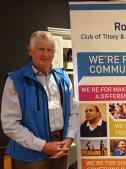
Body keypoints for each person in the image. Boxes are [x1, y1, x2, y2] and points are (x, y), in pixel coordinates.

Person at [0, 31, 79, 169]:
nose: (46, 54)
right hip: (30, 156)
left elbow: (73, 111)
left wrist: (69, 138)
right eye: (41, 49)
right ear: (30, 50)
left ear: (54, 52)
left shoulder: (64, 78)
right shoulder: (16, 80)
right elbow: (10, 124)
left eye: (50, 50)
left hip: (61, 150)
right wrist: (43, 146)